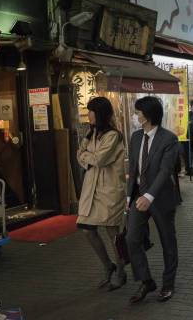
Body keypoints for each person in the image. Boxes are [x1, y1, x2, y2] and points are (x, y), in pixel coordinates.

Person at [126, 96, 180, 304]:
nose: (135, 115)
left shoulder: (169, 139)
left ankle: (168, 284)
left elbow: (165, 171)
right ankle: (146, 280)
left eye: (138, 112)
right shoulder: (136, 137)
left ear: (147, 116)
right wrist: (130, 196)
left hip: (161, 198)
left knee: (168, 241)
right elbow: (133, 168)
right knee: (132, 238)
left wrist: (150, 196)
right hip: (138, 197)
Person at [76, 97, 127, 291]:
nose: (88, 114)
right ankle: (108, 266)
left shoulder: (113, 135)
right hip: (91, 189)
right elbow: (79, 154)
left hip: (109, 190)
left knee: (113, 233)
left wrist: (86, 157)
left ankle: (121, 271)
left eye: (91, 111)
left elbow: (99, 159)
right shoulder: (92, 133)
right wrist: (87, 156)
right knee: (87, 229)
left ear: (101, 113)